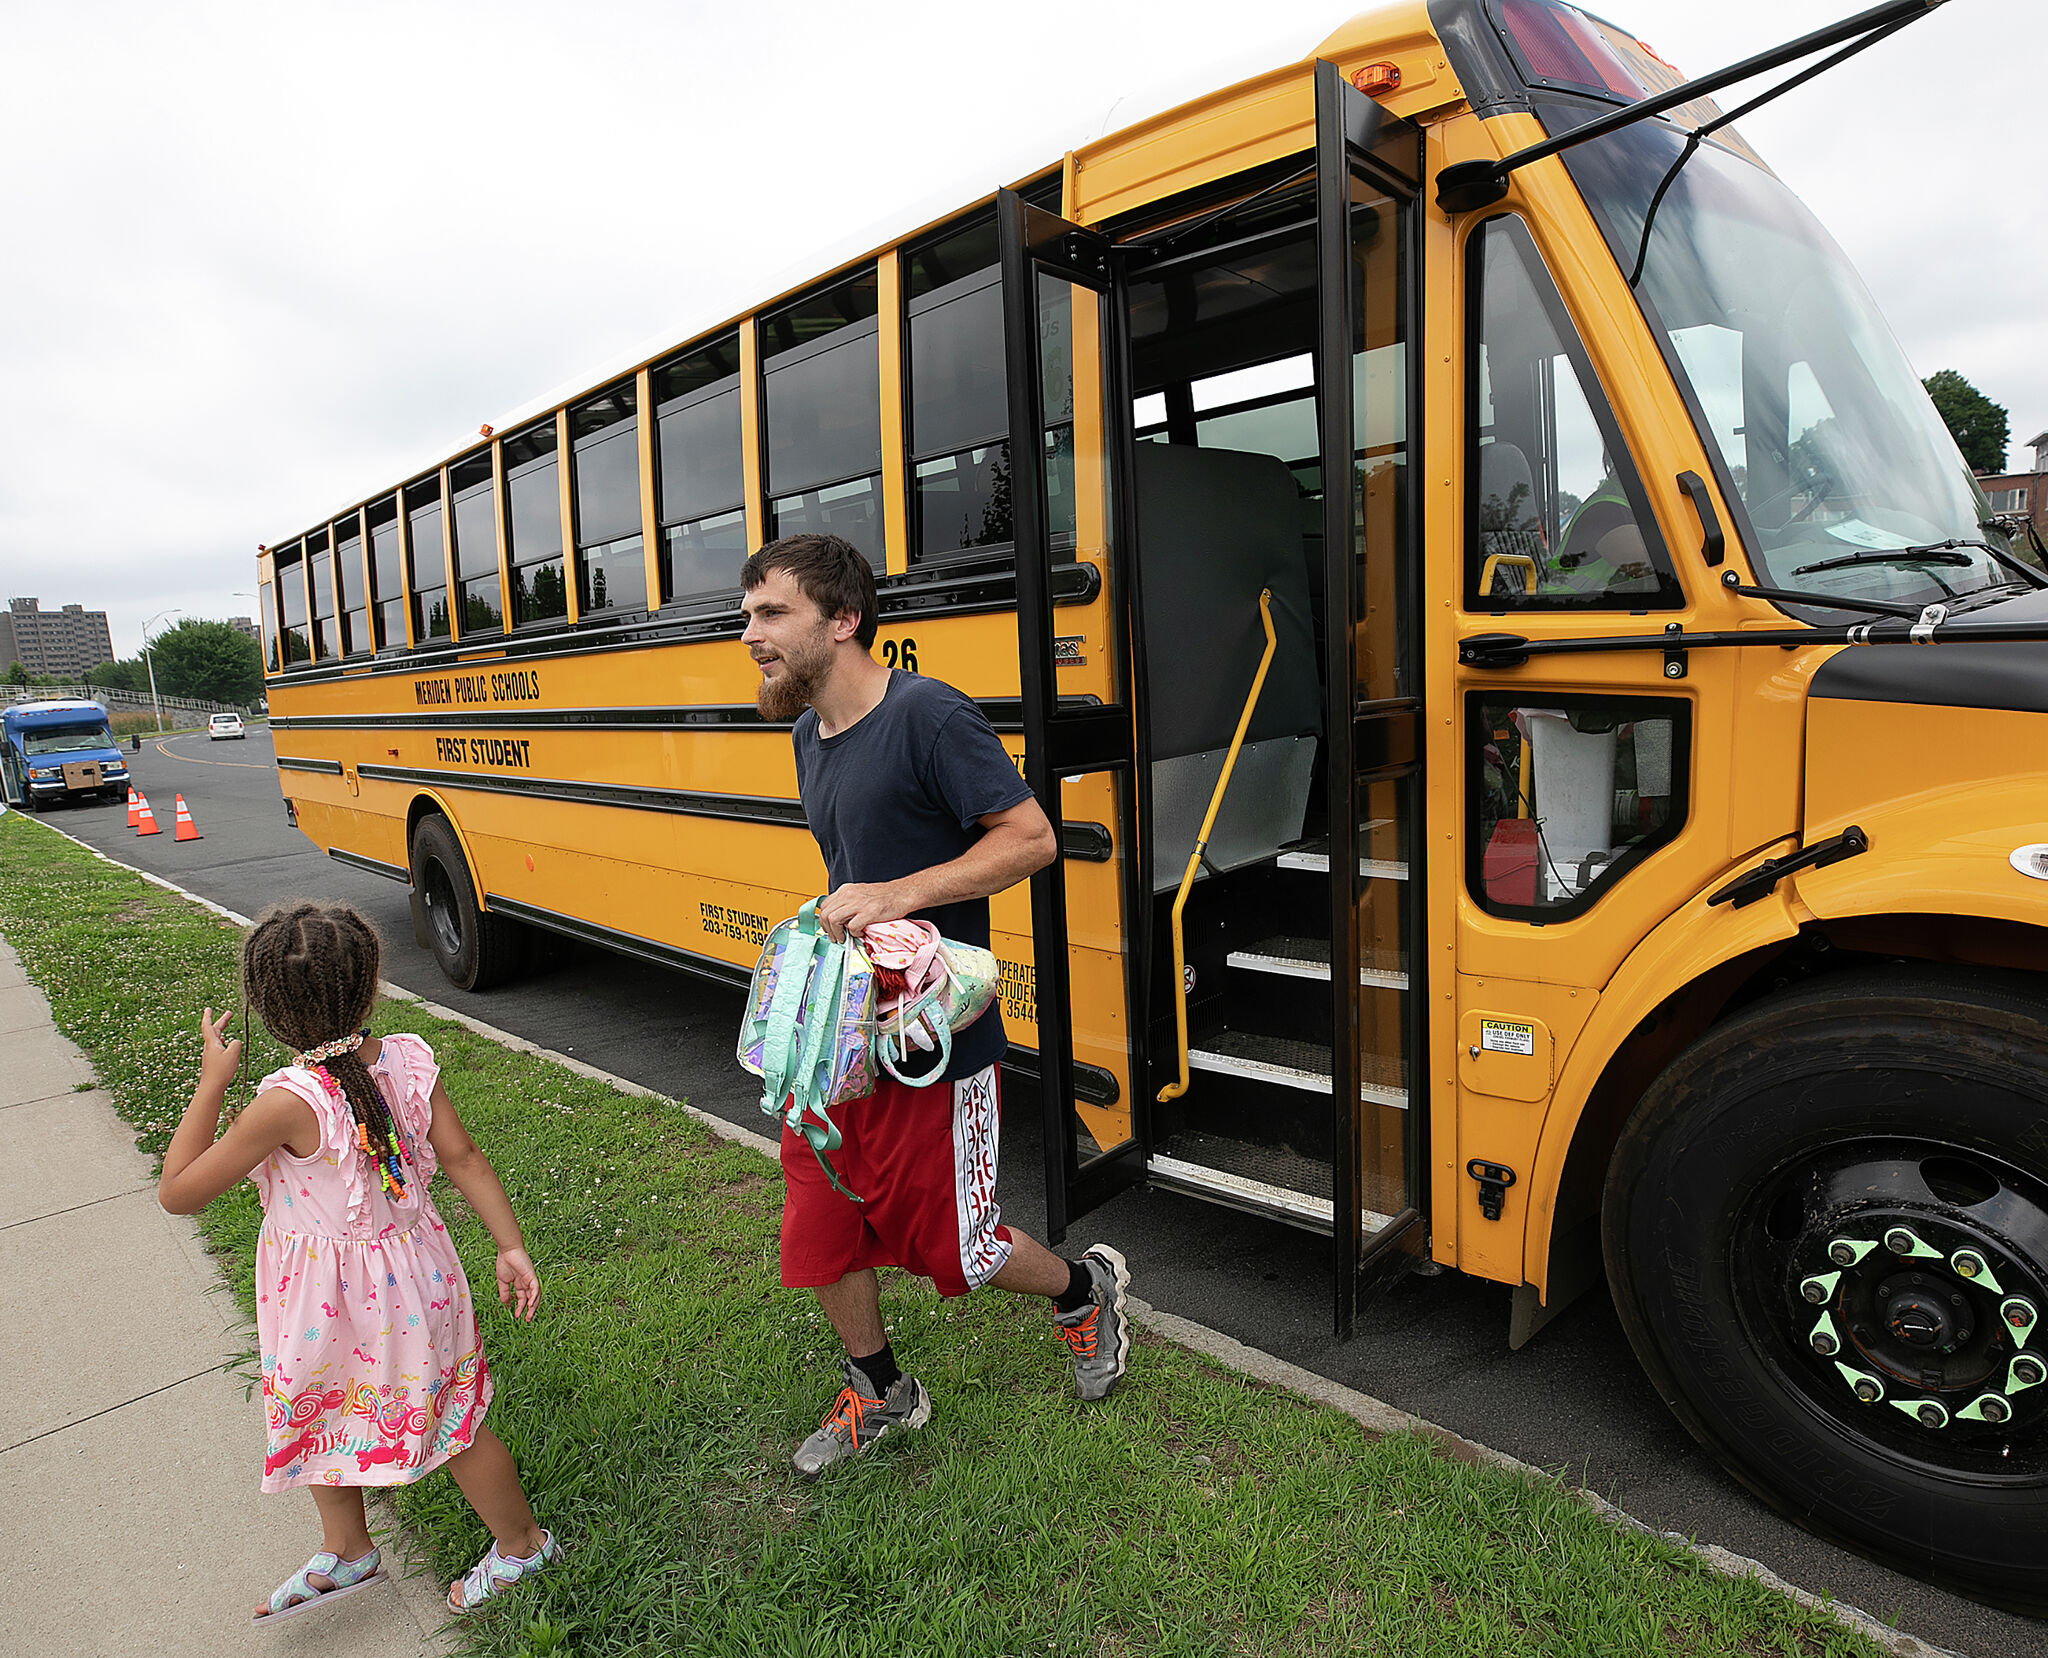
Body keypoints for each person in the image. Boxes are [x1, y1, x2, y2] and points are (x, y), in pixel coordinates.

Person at [739, 532, 1132, 1478]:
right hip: (839, 1034)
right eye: (748, 615)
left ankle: (1087, 1290)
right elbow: (853, 872)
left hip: (934, 1038)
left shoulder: (930, 718)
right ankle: (881, 1390)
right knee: (820, 1223)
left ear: (843, 620)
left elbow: (1034, 839)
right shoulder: (806, 732)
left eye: (771, 614)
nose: (749, 634)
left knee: (958, 1242)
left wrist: (898, 893)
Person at [156, 900, 561, 1622]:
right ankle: (359, 1549)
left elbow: (179, 1192)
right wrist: (510, 1245)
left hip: (321, 1298)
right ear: (370, 987)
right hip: (417, 1278)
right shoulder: (407, 1057)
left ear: (269, 1009)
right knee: (448, 1419)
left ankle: (519, 1547)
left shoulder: (285, 1102)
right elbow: (464, 1158)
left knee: (327, 1408)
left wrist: (213, 1079)